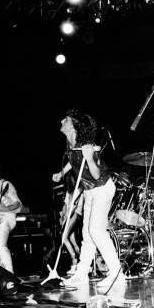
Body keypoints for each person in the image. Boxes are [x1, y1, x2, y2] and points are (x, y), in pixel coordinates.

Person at [51, 109, 123, 289]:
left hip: (101, 188)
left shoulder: (87, 145)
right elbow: (74, 160)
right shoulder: (73, 144)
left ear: (73, 126)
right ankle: (81, 274)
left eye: (65, 119)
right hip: (90, 191)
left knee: (96, 231)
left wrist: (90, 158)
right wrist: (62, 173)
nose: (61, 121)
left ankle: (117, 273)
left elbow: (96, 173)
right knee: (87, 234)